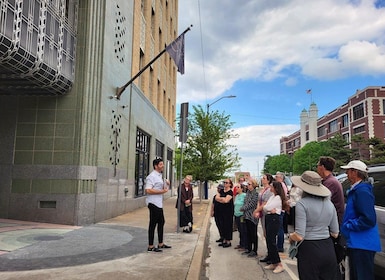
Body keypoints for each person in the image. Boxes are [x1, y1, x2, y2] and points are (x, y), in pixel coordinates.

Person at [289, 171, 340, 280]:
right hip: (328, 248)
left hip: (309, 249)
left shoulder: (302, 204)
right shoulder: (330, 204)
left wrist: (291, 237)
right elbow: (335, 233)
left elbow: (299, 235)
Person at [340, 160, 381, 280]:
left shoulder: (362, 191)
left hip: (362, 243)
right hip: (358, 242)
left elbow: (368, 219)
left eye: (348, 171)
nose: (346, 173)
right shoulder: (358, 190)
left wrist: (348, 225)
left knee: (362, 276)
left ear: (355, 172)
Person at [145, 157, 172, 252]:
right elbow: (148, 190)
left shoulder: (159, 176)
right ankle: (150, 246)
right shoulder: (151, 176)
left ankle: (160, 243)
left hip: (159, 203)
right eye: (160, 164)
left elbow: (164, 189)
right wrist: (161, 191)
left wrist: (167, 184)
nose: (163, 166)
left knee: (161, 222)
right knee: (153, 224)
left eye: (162, 164)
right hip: (153, 203)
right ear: (155, 166)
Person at [263, 181, 289, 274]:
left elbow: (267, 207)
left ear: (275, 188)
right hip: (269, 217)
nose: (270, 188)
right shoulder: (272, 196)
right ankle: (273, 262)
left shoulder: (278, 198)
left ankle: (279, 264)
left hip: (274, 219)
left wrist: (268, 208)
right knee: (268, 241)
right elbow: (265, 207)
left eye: (272, 186)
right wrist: (268, 209)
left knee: (272, 241)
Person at [317, 156, 345, 224]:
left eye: (317, 166)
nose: (317, 168)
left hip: (333, 222)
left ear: (322, 167)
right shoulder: (329, 181)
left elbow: (321, 202)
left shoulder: (330, 182)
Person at [255, 173, 274, 264]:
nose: (262, 179)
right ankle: (269, 253)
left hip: (268, 214)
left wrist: (256, 210)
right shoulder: (263, 190)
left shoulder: (269, 190)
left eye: (264, 178)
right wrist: (258, 210)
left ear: (268, 180)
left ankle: (271, 255)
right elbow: (259, 201)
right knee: (265, 234)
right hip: (263, 213)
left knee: (269, 234)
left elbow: (265, 203)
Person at [240, 178, 259, 257]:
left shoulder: (256, 194)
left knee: (253, 233)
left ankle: (254, 250)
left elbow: (252, 204)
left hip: (252, 216)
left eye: (249, 184)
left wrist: (243, 208)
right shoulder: (248, 192)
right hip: (246, 215)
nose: (248, 186)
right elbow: (245, 202)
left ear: (253, 185)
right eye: (247, 184)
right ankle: (249, 248)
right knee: (247, 233)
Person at [215, 178, 234, 248]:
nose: (225, 184)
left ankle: (228, 241)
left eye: (226, 183)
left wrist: (222, 199)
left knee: (227, 226)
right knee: (222, 226)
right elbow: (216, 198)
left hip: (228, 212)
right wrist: (222, 199)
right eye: (224, 182)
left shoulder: (230, 192)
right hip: (221, 212)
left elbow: (226, 201)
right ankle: (224, 240)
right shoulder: (222, 191)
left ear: (230, 184)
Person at [275, 172, 288, 252]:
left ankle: (280, 246)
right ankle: (279, 245)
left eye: (277, 177)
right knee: (279, 228)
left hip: (280, 209)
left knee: (280, 228)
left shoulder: (281, 185)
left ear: (281, 178)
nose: (275, 178)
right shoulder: (282, 185)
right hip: (280, 209)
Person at [233, 182, 247, 251]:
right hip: (236, 215)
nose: (236, 189)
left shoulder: (244, 195)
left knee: (243, 230)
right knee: (239, 229)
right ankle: (241, 243)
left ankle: (244, 245)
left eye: (238, 187)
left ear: (242, 188)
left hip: (242, 215)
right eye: (236, 187)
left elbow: (246, 205)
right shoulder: (237, 196)